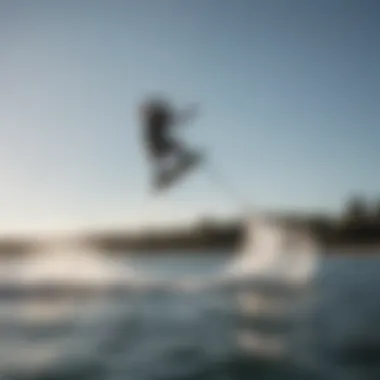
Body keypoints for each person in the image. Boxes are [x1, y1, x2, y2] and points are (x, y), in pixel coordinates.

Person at [140, 97, 198, 190]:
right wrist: (188, 114)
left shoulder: (157, 117)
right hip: (157, 144)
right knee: (174, 146)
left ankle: (159, 176)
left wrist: (188, 113)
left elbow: (176, 119)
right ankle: (160, 176)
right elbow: (176, 119)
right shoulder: (157, 117)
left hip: (156, 145)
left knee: (172, 146)